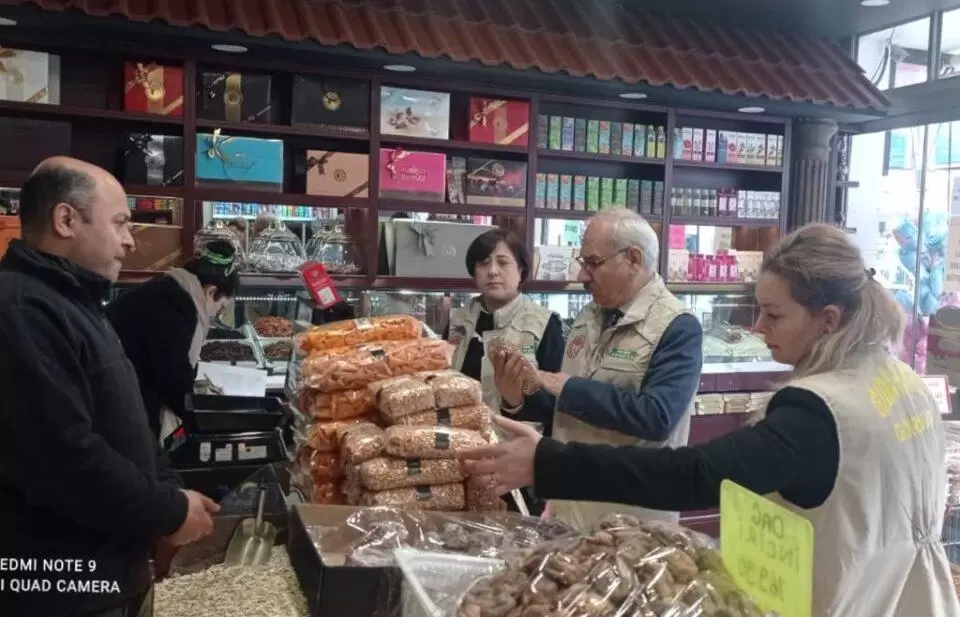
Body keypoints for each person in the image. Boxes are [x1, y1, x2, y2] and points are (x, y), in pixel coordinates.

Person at [464, 222, 960, 617]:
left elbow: (695, 473)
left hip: (843, 597)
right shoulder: (902, 379)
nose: (757, 328)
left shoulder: (819, 408)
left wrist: (547, 462)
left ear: (828, 319)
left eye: (774, 314)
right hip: (905, 591)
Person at [0, 158, 219, 617]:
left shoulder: (75, 302)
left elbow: (129, 416)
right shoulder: (20, 310)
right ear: (66, 219)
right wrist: (167, 511)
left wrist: (168, 490)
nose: (128, 240)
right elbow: (63, 458)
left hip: (105, 576)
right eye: (119, 223)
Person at [492, 208, 702, 527]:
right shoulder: (589, 316)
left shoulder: (678, 326)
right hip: (569, 504)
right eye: (582, 263)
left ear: (633, 258)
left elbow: (657, 417)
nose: (582, 276)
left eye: (593, 263)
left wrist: (567, 387)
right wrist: (519, 399)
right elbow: (568, 410)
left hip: (630, 519)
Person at [443, 229, 564, 515]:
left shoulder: (545, 324)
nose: (493, 271)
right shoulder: (460, 321)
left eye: (503, 262)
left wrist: (518, 402)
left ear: (521, 269)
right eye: (483, 263)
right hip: (460, 454)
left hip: (515, 461)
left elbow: (558, 405)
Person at [106, 240, 240, 449]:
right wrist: (210, 418)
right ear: (210, 292)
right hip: (119, 412)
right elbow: (173, 381)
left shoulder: (170, 289)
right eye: (221, 307)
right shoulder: (174, 306)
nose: (216, 315)